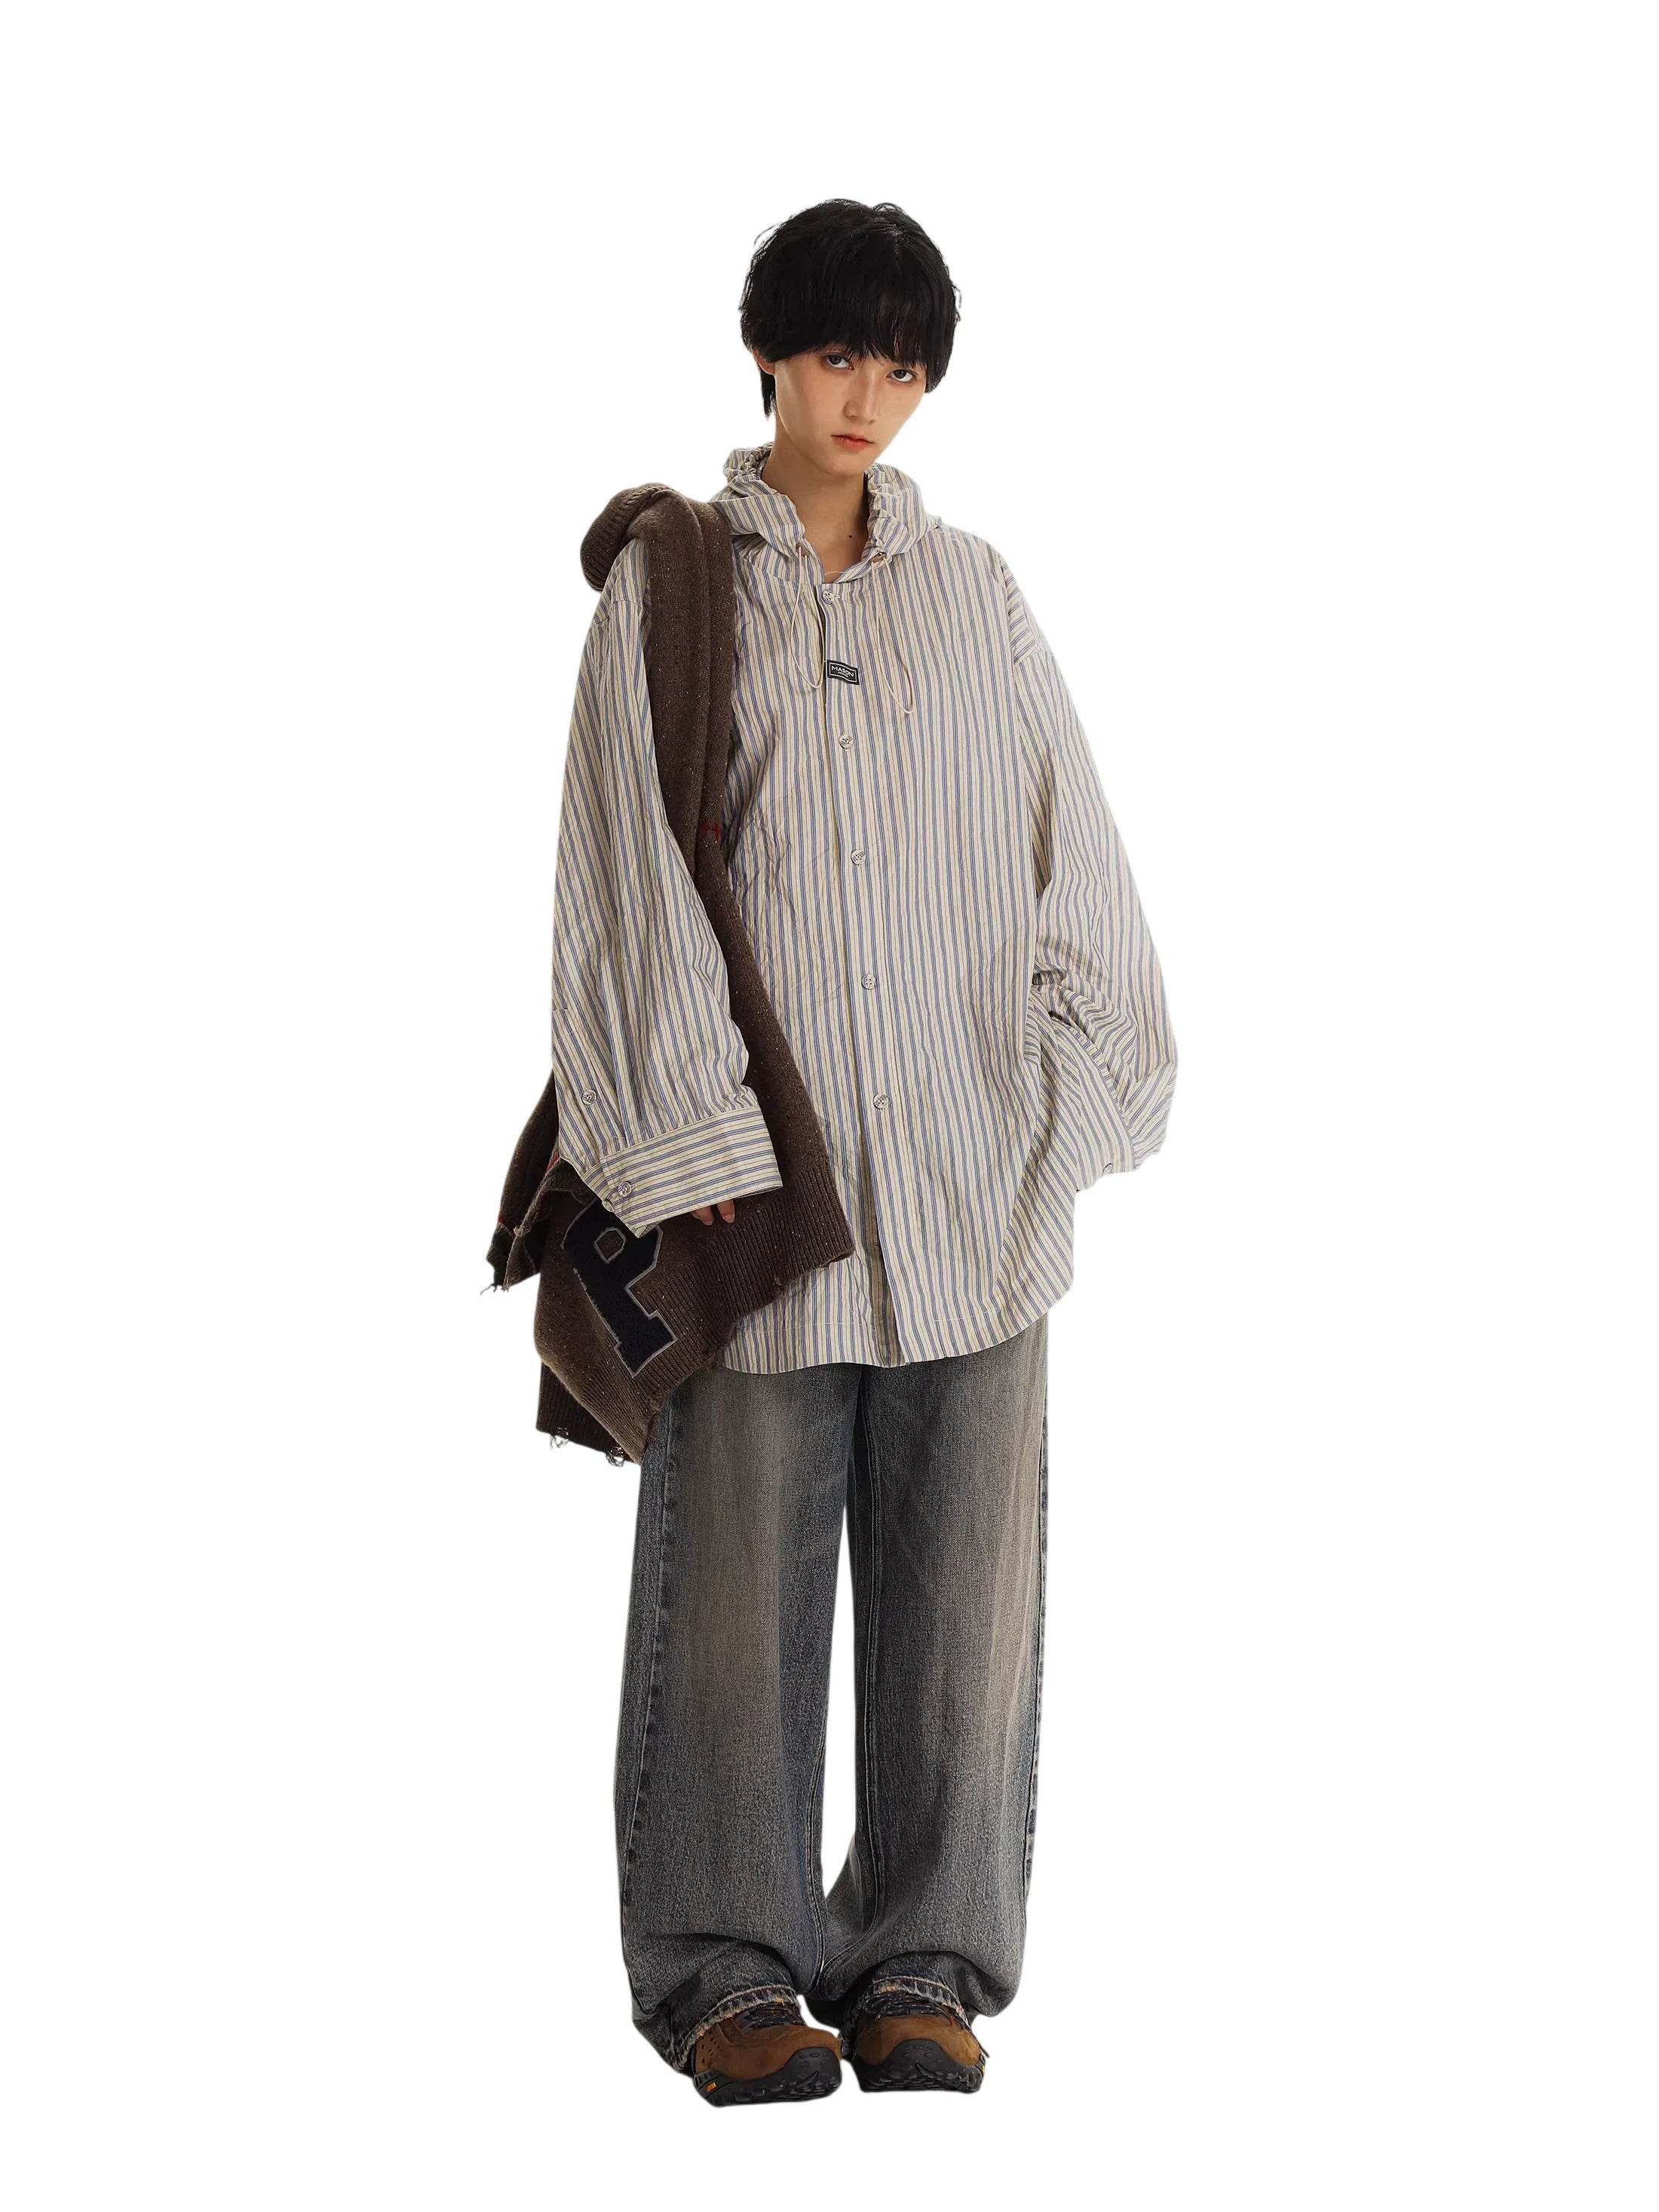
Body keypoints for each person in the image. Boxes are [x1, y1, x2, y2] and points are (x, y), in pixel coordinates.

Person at [543, 198, 1178, 2104]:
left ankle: (922, 1958)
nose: (866, 401)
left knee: (962, 1610)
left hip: (975, 1190)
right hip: (759, 1193)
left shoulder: (974, 594)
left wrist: (1061, 1110)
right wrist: (684, 1140)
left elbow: (1075, 860)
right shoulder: (672, 592)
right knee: (732, 1599)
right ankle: (725, 1969)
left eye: (900, 369)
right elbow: (621, 884)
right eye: (838, 356)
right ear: (768, 351)